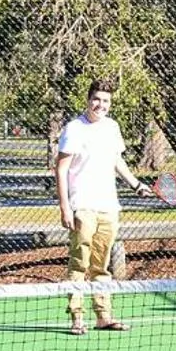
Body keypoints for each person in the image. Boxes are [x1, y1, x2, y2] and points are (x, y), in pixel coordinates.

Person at [53, 78, 150, 335]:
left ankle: (103, 316)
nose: (101, 104)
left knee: (101, 265)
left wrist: (136, 184)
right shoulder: (74, 128)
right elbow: (60, 169)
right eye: (96, 99)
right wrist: (65, 207)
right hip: (82, 206)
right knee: (79, 265)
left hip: (109, 207)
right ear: (88, 100)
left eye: (106, 100)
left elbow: (116, 160)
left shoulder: (112, 127)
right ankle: (77, 318)